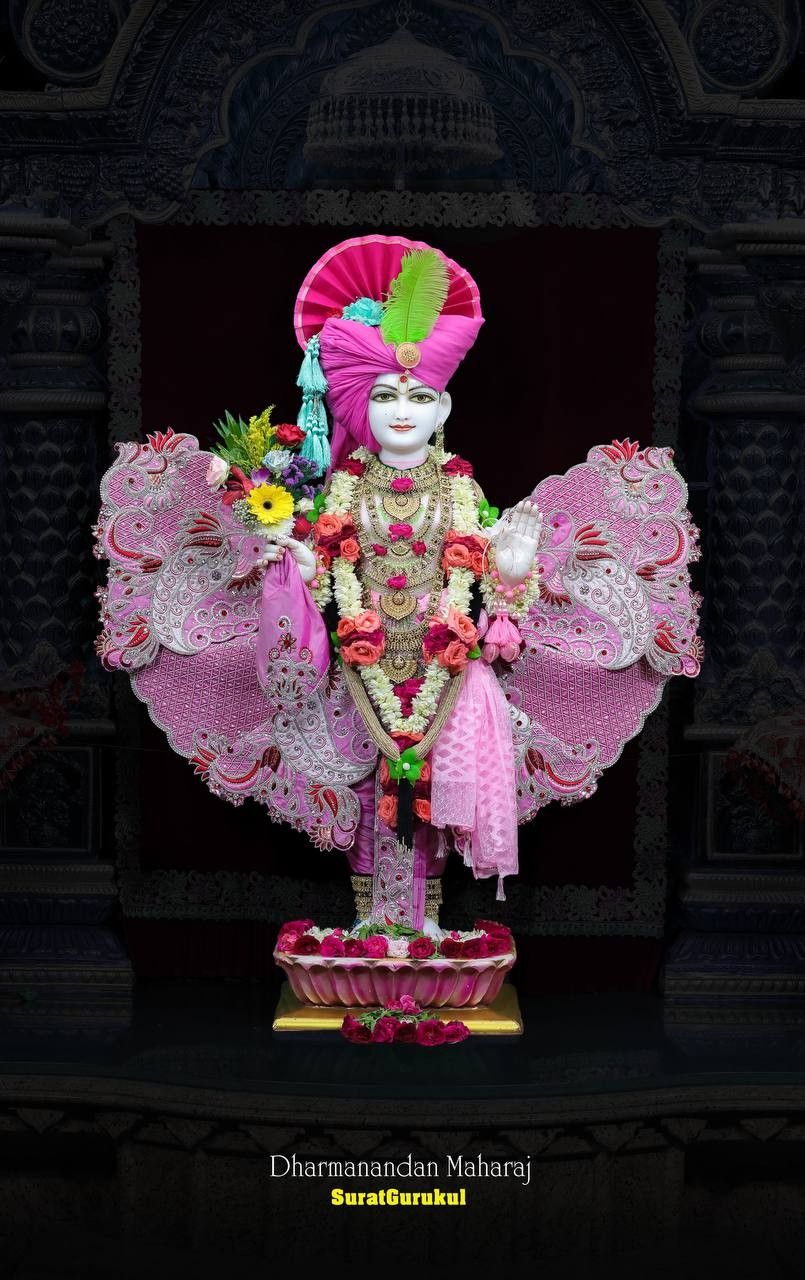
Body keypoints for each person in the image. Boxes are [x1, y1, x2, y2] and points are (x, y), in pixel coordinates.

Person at [95, 234, 702, 937]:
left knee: (439, 799)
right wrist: (287, 564)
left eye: (420, 395)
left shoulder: (460, 492)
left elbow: (495, 599)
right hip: (356, 676)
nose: (402, 409)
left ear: (444, 410)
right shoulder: (341, 493)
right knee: (360, 801)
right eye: (384, 394)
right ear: (358, 405)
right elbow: (322, 579)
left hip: (447, 678)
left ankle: (427, 931)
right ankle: (368, 929)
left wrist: (509, 575)